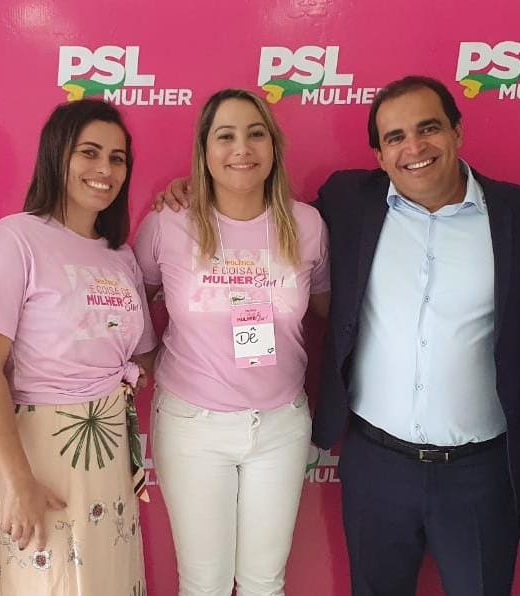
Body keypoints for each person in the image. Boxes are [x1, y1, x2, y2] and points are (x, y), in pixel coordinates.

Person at [159, 75, 520, 596]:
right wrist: (190, 189)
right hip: (377, 467)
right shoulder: (348, 203)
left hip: (479, 471)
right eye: (395, 137)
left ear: (457, 131)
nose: (414, 147)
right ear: (379, 156)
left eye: (428, 128)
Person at [134, 88, 329, 596]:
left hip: (280, 426)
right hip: (192, 426)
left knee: (265, 584)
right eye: (225, 136)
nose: (242, 148)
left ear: (273, 146)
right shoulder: (167, 224)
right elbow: (132, 302)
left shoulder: (307, 225)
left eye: (255, 134)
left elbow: (327, 308)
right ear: (204, 151)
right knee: (205, 585)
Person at [0, 99, 155, 596]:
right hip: (40, 454)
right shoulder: (14, 240)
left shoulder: (120, 257)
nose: (105, 170)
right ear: (57, 155)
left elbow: (141, 353)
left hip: (109, 448)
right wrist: (20, 481)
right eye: (89, 153)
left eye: (117, 158)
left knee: (108, 580)